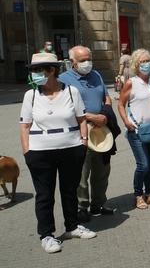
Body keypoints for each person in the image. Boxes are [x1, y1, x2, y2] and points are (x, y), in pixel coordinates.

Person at [20, 53, 96, 253]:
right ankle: (47, 235)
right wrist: (27, 152)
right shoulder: (31, 95)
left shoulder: (71, 92)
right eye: (33, 71)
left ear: (51, 70)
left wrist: (83, 143)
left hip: (71, 149)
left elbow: (81, 119)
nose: (34, 75)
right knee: (44, 195)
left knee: (69, 190)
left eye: (38, 71)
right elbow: (24, 126)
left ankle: (72, 226)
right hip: (40, 152)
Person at [59, 46, 115, 222]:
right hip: (80, 132)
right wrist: (91, 117)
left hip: (101, 130)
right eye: (82, 60)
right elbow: (64, 107)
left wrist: (105, 113)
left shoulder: (96, 75)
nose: (87, 63)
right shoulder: (63, 79)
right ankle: (82, 207)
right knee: (82, 174)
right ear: (73, 62)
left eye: (89, 59)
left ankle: (98, 204)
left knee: (102, 170)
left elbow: (106, 97)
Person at [117, 48, 150, 210]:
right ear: (137, 65)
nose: (146, 64)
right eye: (142, 62)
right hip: (136, 130)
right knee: (143, 164)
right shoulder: (131, 82)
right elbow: (120, 104)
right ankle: (138, 195)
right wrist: (125, 121)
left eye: (148, 61)